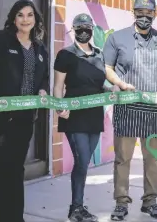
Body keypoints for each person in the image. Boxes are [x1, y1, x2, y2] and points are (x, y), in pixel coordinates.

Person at [0, 0, 49, 222]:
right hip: (0, 118)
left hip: (25, 118)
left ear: (35, 19)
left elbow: (43, 77)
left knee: (16, 169)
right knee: (1, 169)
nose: (25, 19)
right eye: (20, 15)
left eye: (30, 15)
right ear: (13, 18)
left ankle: (15, 217)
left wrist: (42, 90)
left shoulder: (39, 48)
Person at [102, 0, 157, 221]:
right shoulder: (117, 38)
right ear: (133, 13)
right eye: (140, 13)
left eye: (149, 13)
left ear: (155, 14)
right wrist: (121, 84)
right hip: (126, 106)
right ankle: (121, 203)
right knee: (122, 159)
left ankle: (150, 201)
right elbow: (108, 68)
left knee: (152, 159)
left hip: (153, 109)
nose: (144, 17)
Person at [53, 13, 108, 222]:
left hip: (95, 115)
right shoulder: (65, 54)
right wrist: (59, 107)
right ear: (74, 29)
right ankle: (75, 208)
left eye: (87, 27)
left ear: (92, 29)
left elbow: (102, 83)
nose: (84, 31)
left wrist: (114, 89)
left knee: (83, 163)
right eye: (79, 27)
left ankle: (78, 206)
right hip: (73, 115)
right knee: (82, 159)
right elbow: (58, 86)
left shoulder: (100, 54)